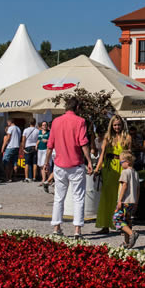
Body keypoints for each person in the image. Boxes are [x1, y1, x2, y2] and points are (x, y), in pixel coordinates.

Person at [44, 97, 93, 238]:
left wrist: (46, 163)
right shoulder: (80, 121)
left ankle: (56, 227)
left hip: (59, 165)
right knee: (78, 197)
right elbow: (83, 143)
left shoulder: (56, 121)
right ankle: (77, 230)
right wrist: (89, 161)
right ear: (77, 107)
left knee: (59, 197)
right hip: (76, 164)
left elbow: (50, 145)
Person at [95, 115, 129, 234]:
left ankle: (121, 225)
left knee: (120, 197)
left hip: (122, 167)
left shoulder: (127, 137)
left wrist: (130, 171)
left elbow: (129, 155)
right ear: (111, 125)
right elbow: (102, 155)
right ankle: (105, 225)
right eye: (115, 125)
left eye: (119, 124)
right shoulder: (107, 137)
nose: (117, 127)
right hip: (109, 168)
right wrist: (97, 169)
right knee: (107, 197)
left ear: (122, 125)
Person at [113, 151, 140, 248]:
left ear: (127, 162)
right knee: (127, 221)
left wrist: (119, 200)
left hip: (125, 201)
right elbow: (137, 189)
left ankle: (132, 233)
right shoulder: (135, 173)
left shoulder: (125, 172)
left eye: (121, 162)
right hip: (132, 202)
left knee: (117, 219)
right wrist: (136, 202)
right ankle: (127, 242)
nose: (120, 164)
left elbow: (124, 185)